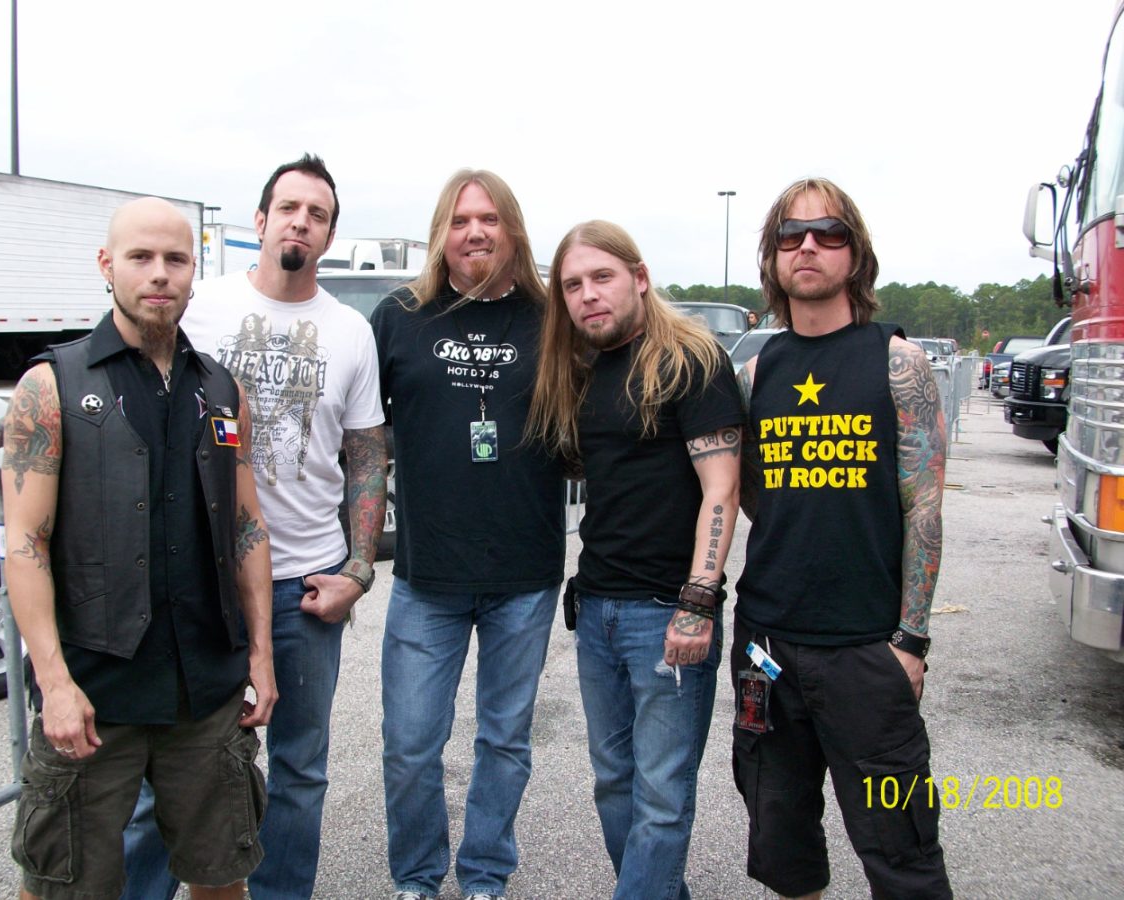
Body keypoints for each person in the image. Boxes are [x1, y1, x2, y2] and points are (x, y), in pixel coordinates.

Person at [123, 154, 387, 899]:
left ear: (329, 235)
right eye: (290, 208)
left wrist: (358, 571)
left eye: (318, 214)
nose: (302, 222)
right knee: (164, 772)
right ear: (261, 221)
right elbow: (96, 387)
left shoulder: (350, 332)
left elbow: (368, 456)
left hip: (306, 584)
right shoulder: (198, 304)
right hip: (200, 581)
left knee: (300, 770)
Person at [1, 197, 276, 900]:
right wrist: (55, 684)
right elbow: (24, 544)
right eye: (141, 257)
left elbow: (247, 526)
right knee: (62, 886)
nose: (160, 274)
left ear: (193, 271)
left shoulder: (221, 390)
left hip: (204, 692)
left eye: (176, 259)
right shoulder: (52, 385)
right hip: (93, 695)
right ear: (107, 265)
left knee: (222, 879)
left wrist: (261, 654)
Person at [731, 178, 951, 899]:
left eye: (828, 233)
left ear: (855, 253)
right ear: (773, 256)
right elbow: (754, 494)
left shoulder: (899, 363)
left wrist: (910, 641)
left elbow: (924, 510)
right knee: (782, 844)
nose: (808, 247)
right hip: (766, 646)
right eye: (790, 235)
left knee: (903, 851)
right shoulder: (756, 374)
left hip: (867, 650)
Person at [527, 220, 745, 900]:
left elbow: (722, 490)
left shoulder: (691, 360)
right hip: (597, 609)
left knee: (662, 793)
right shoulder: (584, 373)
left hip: (667, 612)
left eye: (602, 277)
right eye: (572, 285)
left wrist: (698, 601)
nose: (588, 295)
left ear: (640, 278)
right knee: (614, 782)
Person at [369, 169, 565, 900]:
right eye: (459, 220)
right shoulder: (400, 316)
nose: (474, 232)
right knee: (410, 746)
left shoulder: (552, 318)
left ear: (512, 230)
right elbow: (358, 433)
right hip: (427, 576)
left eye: (489, 218)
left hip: (525, 572)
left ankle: (485, 875)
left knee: (504, 741)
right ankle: (418, 878)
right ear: (439, 236)